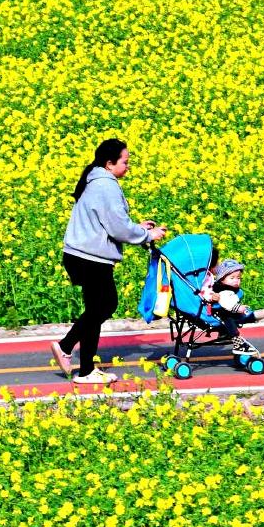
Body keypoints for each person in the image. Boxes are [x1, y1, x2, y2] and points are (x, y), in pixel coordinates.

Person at [54, 138, 165, 385]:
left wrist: (137, 227)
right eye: (125, 162)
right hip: (89, 257)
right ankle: (65, 346)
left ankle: (86, 370)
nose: (128, 166)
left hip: (82, 255)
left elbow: (110, 222)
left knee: (96, 309)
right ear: (109, 163)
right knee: (104, 306)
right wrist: (147, 235)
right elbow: (117, 227)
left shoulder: (96, 181)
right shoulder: (106, 185)